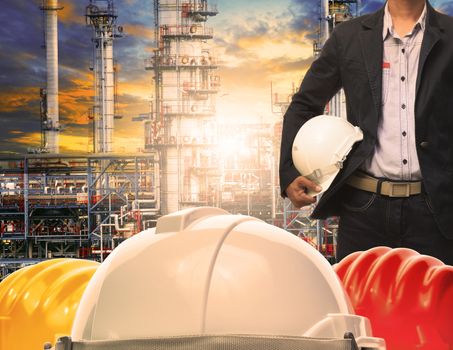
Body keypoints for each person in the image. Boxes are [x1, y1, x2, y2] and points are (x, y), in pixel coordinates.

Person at [279, 0, 453, 265]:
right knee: (357, 305)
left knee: (439, 305)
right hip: (364, 211)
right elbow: (304, 105)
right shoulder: (349, 37)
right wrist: (290, 171)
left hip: (435, 210)